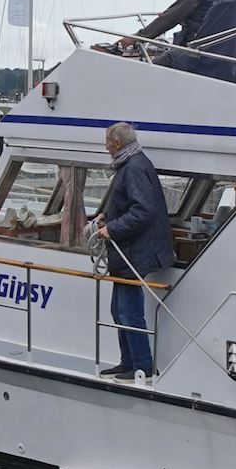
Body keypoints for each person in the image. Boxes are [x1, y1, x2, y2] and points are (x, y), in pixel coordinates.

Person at [95, 122, 175, 380]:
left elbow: (143, 210)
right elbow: (130, 203)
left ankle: (142, 366)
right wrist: (106, 215)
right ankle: (128, 361)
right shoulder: (132, 164)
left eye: (107, 141)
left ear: (117, 143)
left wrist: (113, 228)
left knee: (129, 312)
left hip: (132, 253)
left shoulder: (134, 168)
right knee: (119, 311)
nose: (105, 146)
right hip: (127, 253)